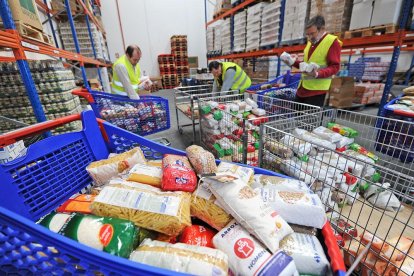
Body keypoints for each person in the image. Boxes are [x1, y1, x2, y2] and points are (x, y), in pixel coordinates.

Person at [283, 15, 342, 107]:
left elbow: (335, 67)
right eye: (308, 34)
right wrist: (292, 61)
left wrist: (317, 73)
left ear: (322, 29)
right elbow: (306, 65)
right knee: (296, 117)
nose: (309, 37)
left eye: (312, 34)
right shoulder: (311, 42)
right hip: (302, 88)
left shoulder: (332, 42)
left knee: (310, 120)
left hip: (316, 91)